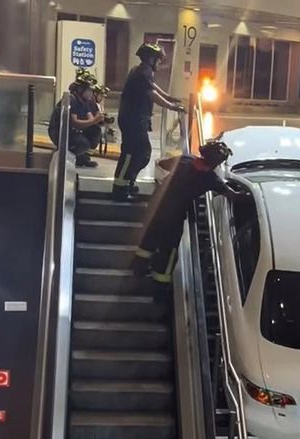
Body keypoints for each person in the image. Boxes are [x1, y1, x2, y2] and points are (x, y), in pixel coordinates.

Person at [131, 138, 243, 318]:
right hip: (173, 218)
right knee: (168, 253)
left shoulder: (185, 159)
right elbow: (233, 196)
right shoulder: (210, 179)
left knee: (148, 240)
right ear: (216, 162)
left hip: (156, 207)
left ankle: (138, 268)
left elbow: (163, 164)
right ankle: (159, 290)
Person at [113, 43, 185, 202]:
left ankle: (128, 182)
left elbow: (153, 87)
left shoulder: (142, 71)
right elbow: (152, 93)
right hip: (133, 121)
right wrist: (171, 106)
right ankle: (120, 189)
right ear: (150, 58)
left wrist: (169, 98)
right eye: (158, 59)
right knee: (133, 154)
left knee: (141, 154)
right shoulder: (142, 72)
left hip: (136, 120)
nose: (159, 63)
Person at [47, 69, 103, 168]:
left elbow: (90, 118)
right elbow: (75, 123)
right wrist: (94, 120)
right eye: (89, 90)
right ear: (81, 89)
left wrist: (100, 121)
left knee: (95, 131)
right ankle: (63, 156)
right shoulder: (71, 99)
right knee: (83, 143)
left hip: (72, 130)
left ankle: (83, 158)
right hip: (60, 131)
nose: (91, 93)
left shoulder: (84, 101)